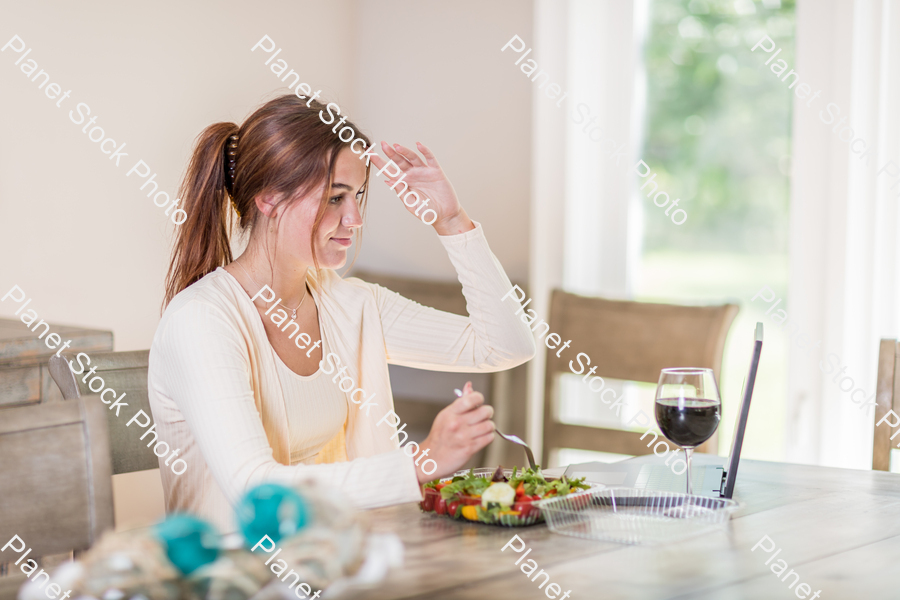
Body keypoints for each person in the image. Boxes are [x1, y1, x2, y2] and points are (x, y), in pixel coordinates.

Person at [147, 94, 535, 532]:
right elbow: (255, 490)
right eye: (334, 198)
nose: (354, 218)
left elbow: (506, 346)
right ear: (269, 198)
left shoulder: (348, 304)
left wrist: (450, 219)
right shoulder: (201, 320)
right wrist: (420, 462)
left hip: (331, 564)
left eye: (358, 195)